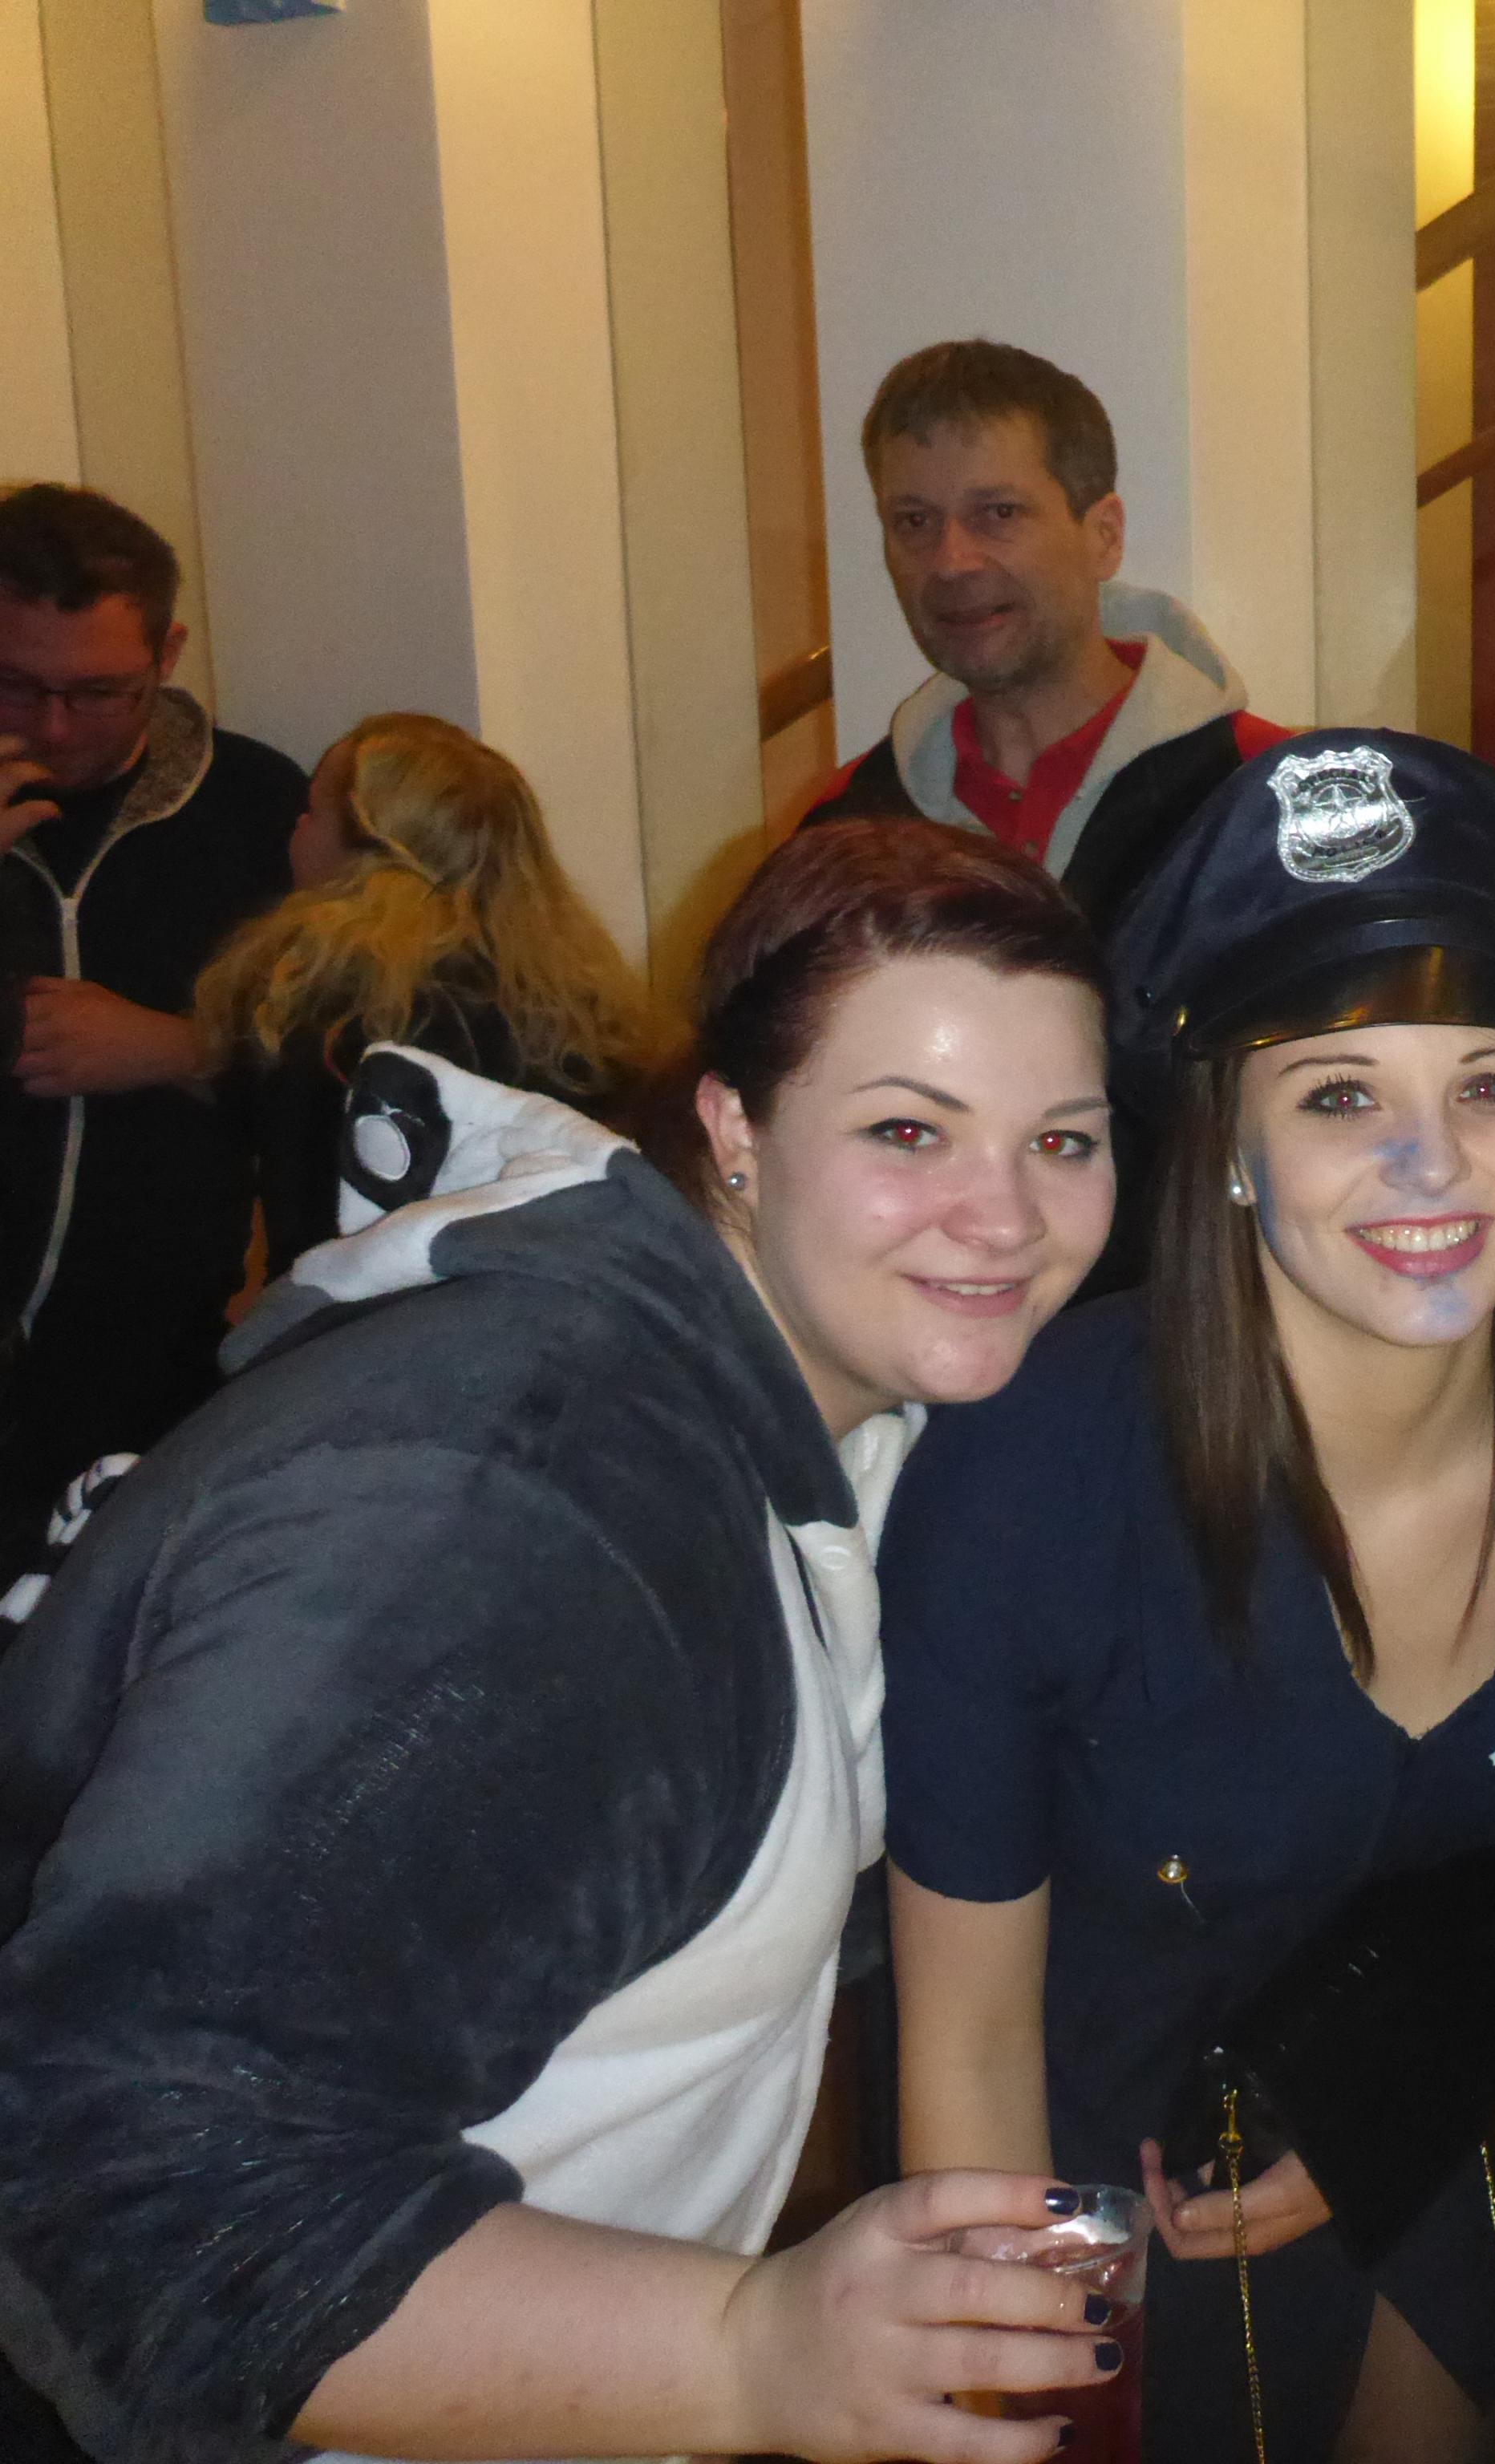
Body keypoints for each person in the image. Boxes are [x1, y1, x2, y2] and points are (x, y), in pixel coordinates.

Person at [0, 818, 1124, 2464]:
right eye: (908, 1128)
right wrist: (749, 2350)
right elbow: (131, 2187)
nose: (1005, 1216)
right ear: (735, 1130)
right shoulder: (514, 1508)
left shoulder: (821, 1415)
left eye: (1064, 1141)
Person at [881, 732, 1495, 2461]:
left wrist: (1404, 2086)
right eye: (1338, 1096)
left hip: (1387, 2091)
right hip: (1085, 2173)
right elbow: (967, 2035)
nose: (1430, 1167)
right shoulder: (1030, 1475)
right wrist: (1021, 2384)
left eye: (1489, 1087)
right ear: (1231, 1144)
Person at [804, 338, 1293, 1292]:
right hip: (929, 1335)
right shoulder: (843, 826)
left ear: (1103, 534)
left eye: (998, 514)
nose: (952, 561)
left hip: (1203, 1346)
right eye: (914, 522)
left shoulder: (1259, 797)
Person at [0, 483, 302, 1576]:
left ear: (166, 655)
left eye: (98, 692)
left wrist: (179, 1049)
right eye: (15, 684)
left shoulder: (259, 810)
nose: (53, 727)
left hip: (156, 1388)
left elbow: (352, 1071)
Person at [195, 710, 662, 1278]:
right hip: (563, 1301)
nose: (295, 830)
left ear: (367, 857)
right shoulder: (576, 1006)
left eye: (312, 813)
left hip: (383, 1315)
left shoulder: (328, 1011)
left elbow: (310, 1226)